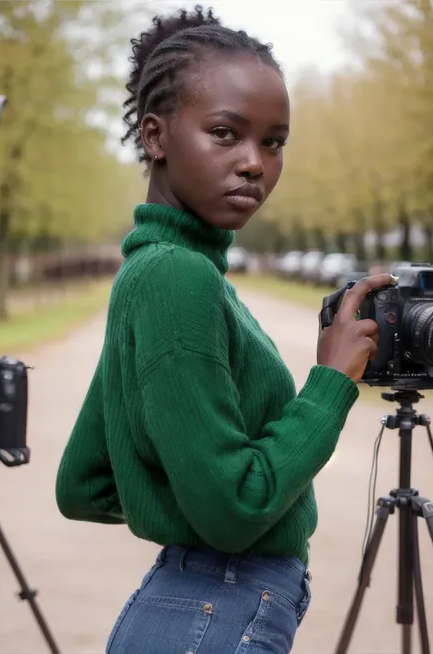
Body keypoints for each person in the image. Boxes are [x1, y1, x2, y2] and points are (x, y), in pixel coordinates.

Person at [55, 5, 396, 653]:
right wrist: (330, 381)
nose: (254, 163)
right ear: (156, 136)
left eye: (273, 142)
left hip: (184, 609)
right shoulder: (181, 279)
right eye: (225, 133)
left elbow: (85, 481)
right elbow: (237, 509)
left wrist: (187, 499)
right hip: (219, 612)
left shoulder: (153, 271)